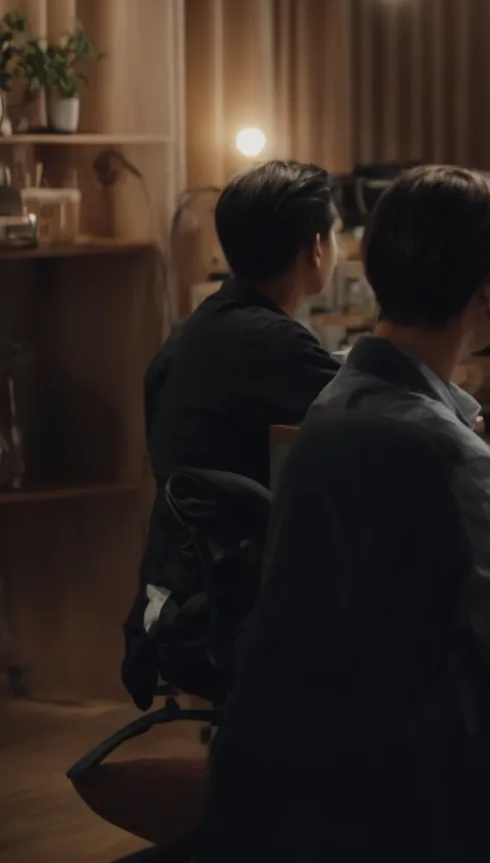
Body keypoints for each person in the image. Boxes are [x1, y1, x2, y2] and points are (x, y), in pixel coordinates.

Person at [207, 166, 490, 853]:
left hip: (304, 771)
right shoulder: (456, 459)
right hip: (418, 786)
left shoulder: (330, 412)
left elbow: (394, 623)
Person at [124, 161, 346, 693]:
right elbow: (401, 417)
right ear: (316, 248)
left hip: (187, 594)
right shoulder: (275, 344)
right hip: (247, 603)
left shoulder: (195, 333)